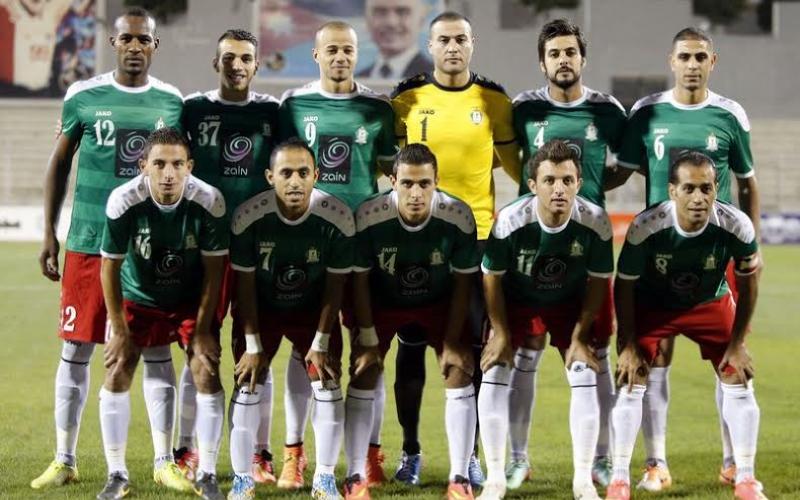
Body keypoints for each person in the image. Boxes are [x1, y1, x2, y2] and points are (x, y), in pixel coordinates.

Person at [32, 7, 183, 490]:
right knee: (76, 349)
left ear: (155, 45)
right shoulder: (83, 96)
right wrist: (49, 231)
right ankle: (65, 458)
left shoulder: (172, 101)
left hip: (147, 248)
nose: (135, 46)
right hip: (88, 242)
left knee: (156, 349)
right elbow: (59, 164)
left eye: (144, 39)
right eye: (127, 39)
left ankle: (164, 462)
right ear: (113, 43)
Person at [611, 26, 761, 492]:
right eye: (684, 57)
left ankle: (734, 462)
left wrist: (748, 247)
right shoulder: (647, 112)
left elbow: (747, 183)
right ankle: (655, 463)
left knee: (732, 356)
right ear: (671, 61)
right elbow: (624, 171)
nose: (692, 65)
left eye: (700, 57)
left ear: (712, 62)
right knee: (655, 359)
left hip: (716, 253)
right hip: (660, 250)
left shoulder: (729, 114)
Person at [390, 10, 519, 487]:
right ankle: (410, 451)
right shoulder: (407, 99)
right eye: (443, 39)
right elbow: (393, 163)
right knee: (411, 346)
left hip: (478, 238)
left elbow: (513, 165)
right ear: (430, 45)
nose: (452, 47)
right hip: (418, 238)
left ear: (472, 43)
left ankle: (472, 456)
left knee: (474, 349)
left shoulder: (493, 100)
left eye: (460, 39)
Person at [278, 20, 397, 490]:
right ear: (316, 55)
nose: (341, 57)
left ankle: (369, 455)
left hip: (365, 245)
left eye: (348, 49)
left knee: (370, 349)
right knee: (304, 349)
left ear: (357, 53)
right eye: (332, 50)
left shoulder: (377, 108)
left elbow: (388, 170)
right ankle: (294, 454)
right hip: (312, 247)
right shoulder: (294, 105)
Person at [508, 19, 626, 489]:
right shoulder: (524, 108)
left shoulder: (608, 111)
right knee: (525, 353)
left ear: (582, 58)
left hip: (587, 248)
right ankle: (517, 458)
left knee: (597, 354)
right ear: (542, 63)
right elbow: (508, 157)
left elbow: (624, 167)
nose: (563, 60)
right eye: (554, 53)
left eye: (570, 52)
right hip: (532, 250)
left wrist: (589, 193)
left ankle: (603, 459)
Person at [606, 151, 764, 500]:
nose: (698, 198)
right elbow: (625, 285)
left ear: (716, 189)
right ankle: (620, 480)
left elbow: (750, 281)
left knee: (738, 374)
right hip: (654, 304)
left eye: (706, 188)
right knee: (632, 376)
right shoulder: (647, 226)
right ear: (672, 191)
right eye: (689, 188)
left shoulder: (735, 224)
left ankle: (745, 478)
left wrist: (737, 343)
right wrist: (628, 345)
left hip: (710, 302)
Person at [96, 127, 228, 499]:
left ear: (190, 167)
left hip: (188, 298)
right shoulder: (123, 200)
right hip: (138, 296)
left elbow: (214, 271)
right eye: (159, 164)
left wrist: (202, 329)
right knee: (117, 367)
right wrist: (119, 330)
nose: (168, 173)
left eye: (177, 164)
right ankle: (117, 474)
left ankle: (207, 474)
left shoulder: (209, 200)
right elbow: (108, 267)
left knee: (205, 369)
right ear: (143, 166)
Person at [480, 140, 614, 500]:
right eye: (550, 180)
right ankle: (497, 476)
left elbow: (599, 282)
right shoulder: (510, 220)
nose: (559, 189)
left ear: (579, 183)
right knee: (495, 370)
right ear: (532, 185)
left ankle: (583, 480)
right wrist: (500, 332)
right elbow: (491, 278)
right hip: (518, 300)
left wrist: (580, 337)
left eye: (567, 181)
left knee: (585, 370)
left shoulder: (596, 221)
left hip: (571, 303)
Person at [346, 143, 480, 499]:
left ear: (437, 181)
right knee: (363, 369)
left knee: (459, 368)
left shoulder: (458, 215)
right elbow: (359, 281)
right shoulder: (369, 214)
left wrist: (452, 341)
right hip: (383, 301)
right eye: (407, 183)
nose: (416, 193)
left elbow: (464, 283)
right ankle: (355, 476)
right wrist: (368, 338)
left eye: (424, 183)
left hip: (438, 301)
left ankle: (459, 478)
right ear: (393, 181)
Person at [177, 28, 281, 488]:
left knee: (256, 351)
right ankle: (187, 448)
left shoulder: (273, 112)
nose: (236, 65)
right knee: (198, 347)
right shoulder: (192, 108)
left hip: (259, 249)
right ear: (215, 62)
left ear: (256, 64)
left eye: (245, 58)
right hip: (205, 250)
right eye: (228, 57)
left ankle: (259, 452)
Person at [228, 137, 355, 500]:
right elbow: (244, 288)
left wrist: (321, 342)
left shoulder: (337, 216)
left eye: (303, 172)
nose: (295, 181)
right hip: (261, 310)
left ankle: (325, 479)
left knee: (327, 383)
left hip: (313, 310)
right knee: (248, 382)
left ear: (317, 174)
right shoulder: (248, 217)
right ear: (270, 177)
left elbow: (335, 287)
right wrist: (253, 346)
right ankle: (242, 479)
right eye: (286, 173)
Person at [357, 0, 433, 80]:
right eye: (380, 12)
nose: (391, 23)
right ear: (367, 20)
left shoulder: (437, 81)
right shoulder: (357, 81)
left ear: (421, 20)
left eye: (402, 12)